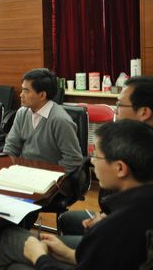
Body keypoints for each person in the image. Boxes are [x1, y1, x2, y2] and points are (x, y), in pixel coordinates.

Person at [0, 119, 153, 270]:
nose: (92, 161)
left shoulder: (118, 226)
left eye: (96, 156)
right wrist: (69, 254)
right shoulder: (139, 206)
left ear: (120, 168)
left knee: (9, 243)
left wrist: (39, 257)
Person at [57, 75, 153, 247]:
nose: (115, 111)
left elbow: (139, 216)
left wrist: (108, 222)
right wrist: (107, 217)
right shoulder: (130, 138)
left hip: (132, 238)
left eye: (120, 105)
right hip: (118, 217)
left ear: (144, 112)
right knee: (68, 220)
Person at [3, 68, 83, 173]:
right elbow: (11, 147)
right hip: (23, 172)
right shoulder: (22, 113)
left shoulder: (60, 120)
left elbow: (73, 159)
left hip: (49, 175)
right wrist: (7, 170)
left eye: (26, 91)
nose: (21, 95)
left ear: (42, 95)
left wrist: (51, 176)